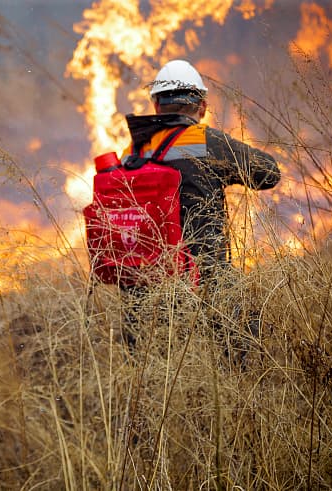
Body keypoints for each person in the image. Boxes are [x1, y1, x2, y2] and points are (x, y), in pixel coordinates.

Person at [118, 59, 280, 350]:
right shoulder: (206, 141)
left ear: (156, 105)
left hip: (142, 289)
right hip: (206, 283)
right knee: (241, 344)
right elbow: (269, 174)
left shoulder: (132, 151)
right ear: (202, 106)